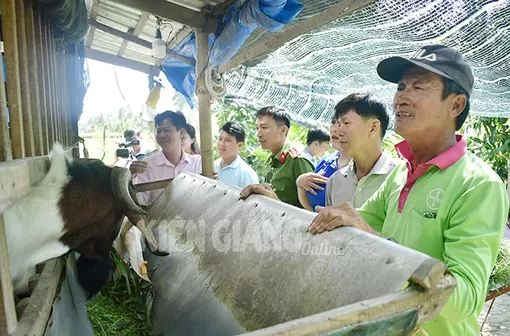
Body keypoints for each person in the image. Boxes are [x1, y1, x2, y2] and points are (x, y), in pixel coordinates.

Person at [308, 45, 509, 335]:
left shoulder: (477, 184)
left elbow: (465, 299)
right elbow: (349, 226)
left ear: (455, 105)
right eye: (401, 86)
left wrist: (377, 242)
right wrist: (276, 210)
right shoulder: (401, 173)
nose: (401, 96)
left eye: (419, 86)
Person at [325, 93, 400, 208]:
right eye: (338, 124)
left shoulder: (399, 178)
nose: (338, 131)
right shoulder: (335, 181)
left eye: (346, 123)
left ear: (373, 128)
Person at [246, 106, 314, 208]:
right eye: (257, 128)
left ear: (283, 130)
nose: (258, 134)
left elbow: (311, 208)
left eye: (264, 128)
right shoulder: (272, 160)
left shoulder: (298, 161)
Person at [130, 111, 202, 205]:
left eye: (166, 130)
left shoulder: (197, 163)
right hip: (158, 219)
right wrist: (132, 177)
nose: (162, 135)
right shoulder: (146, 166)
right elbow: (141, 203)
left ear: (181, 132)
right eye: (158, 131)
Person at [296, 120, 351, 211]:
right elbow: (310, 207)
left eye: (345, 123)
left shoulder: (364, 166)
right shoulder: (326, 161)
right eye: (334, 122)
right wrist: (300, 184)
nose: (335, 129)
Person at [214, 122, 259, 188]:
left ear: (240, 145)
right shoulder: (213, 166)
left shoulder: (246, 174)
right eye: (220, 139)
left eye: (227, 140)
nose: (222, 144)